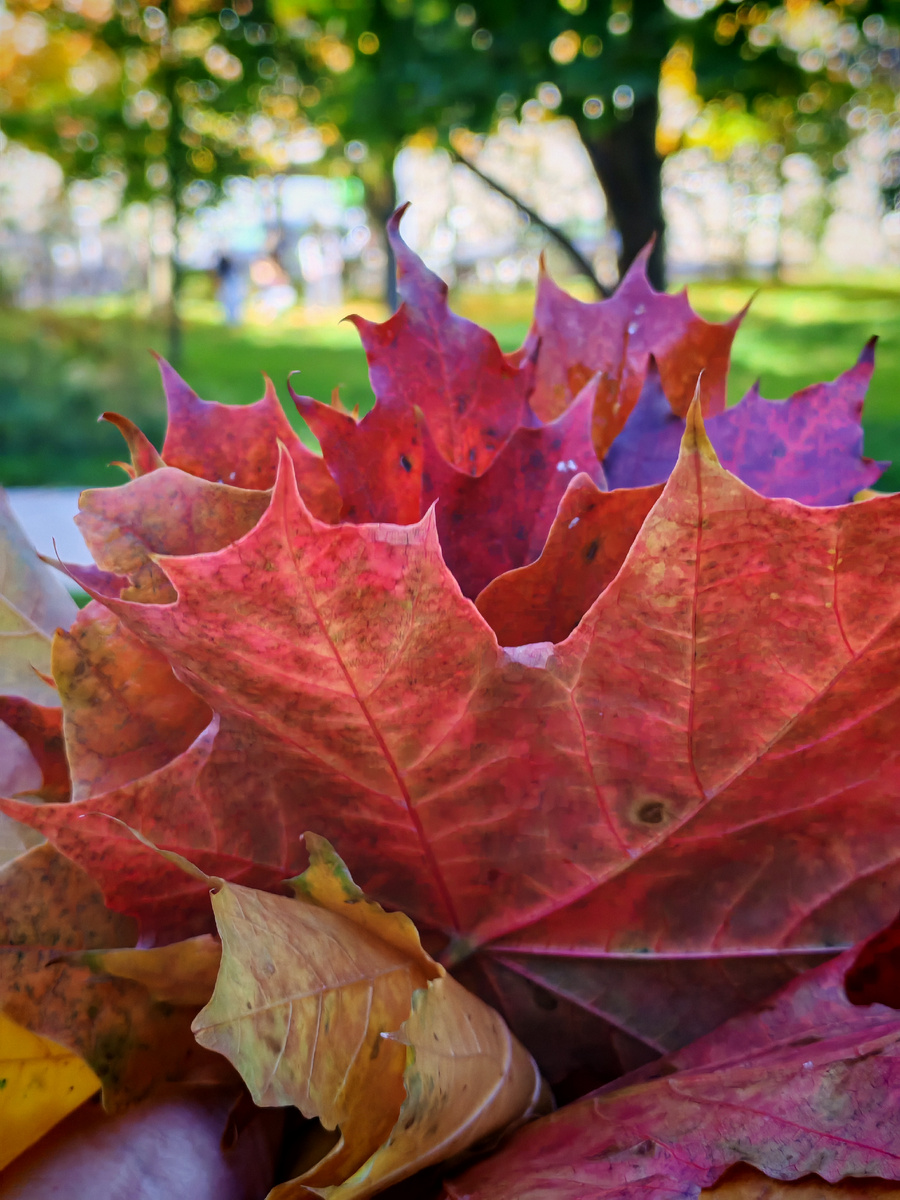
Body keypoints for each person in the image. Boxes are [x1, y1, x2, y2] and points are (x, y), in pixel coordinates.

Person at [215, 253, 246, 326]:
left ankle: (234, 321)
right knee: (230, 301)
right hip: (228, 281)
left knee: (234, 301)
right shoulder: (223, 260)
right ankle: (232, 321)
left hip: (232, 281)